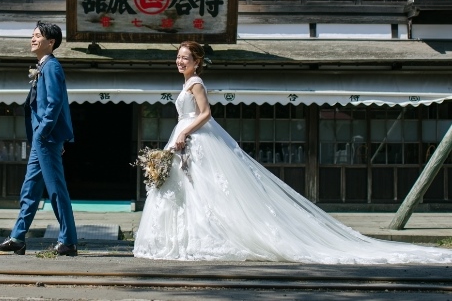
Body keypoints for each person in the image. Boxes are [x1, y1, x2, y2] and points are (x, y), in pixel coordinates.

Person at [133, 40, 452, 264]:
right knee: (188, 191)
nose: (180, 61)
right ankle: (185, 238)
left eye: (185, 57)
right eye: (178, 57)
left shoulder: (196, 83)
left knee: (205, 191)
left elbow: (206, 115)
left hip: (195, 137)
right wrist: (180, 135)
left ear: (197, 61)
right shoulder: (185, 83)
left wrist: (184, 132)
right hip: (185, 139)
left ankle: (203, 237)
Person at [0, 22, 78, 256]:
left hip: (45, 138)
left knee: (56, 190)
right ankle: (18, 237)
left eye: (38, 36)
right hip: (42, 139)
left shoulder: (52, 67)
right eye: (33, 35)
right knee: (29, 189)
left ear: (51, 43)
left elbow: (54, 103)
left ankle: (68, 241)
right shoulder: (44, 66)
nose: (33, 38)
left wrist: (43, 133)